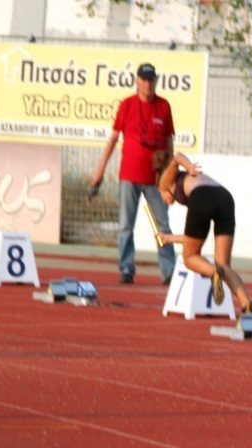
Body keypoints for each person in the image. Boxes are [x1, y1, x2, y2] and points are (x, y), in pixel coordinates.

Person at [91, 62, 177, 285]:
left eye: (151, 79)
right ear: (137, 81)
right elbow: (112, 139)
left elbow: (169, 144)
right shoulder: (127, 105)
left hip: (156, 180)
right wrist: (99, 172)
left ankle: (168, 271)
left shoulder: (164, 107)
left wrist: (169, 175)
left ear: (155, 81)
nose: (147, 83)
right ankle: (126, 268)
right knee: (126, 224)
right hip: (129, 175)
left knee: (163, 225)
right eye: (144, 79)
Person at [156, 152, 252, 314]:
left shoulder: (164, 182)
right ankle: (247, 304)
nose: (163, 200)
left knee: (189, 258)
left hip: (202, 197)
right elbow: (192, 239)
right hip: (225, 198)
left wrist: (188, 166)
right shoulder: (192, 186)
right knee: (223, 265)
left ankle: (212, 272)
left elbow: (176, 158)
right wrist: (168, 238)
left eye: (160, 196)